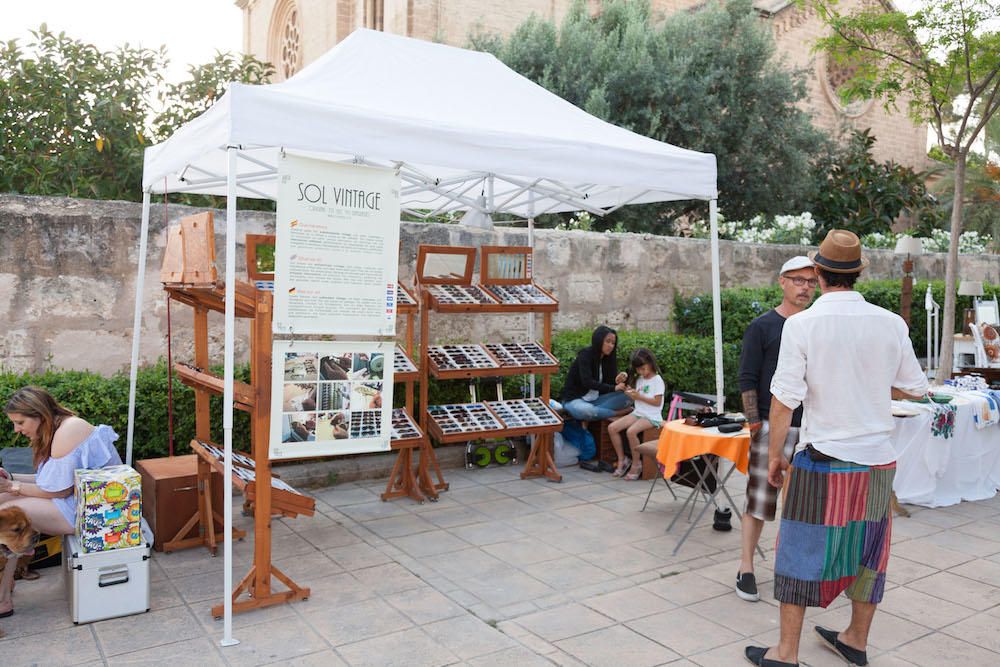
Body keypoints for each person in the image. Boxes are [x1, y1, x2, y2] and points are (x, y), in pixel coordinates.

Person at [744, 230, 928, 667]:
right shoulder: (890, 323)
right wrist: (870, 380)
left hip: (825, 459)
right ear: (858, 274)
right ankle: (855, 640)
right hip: (878, 461)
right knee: (870, 551)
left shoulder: (801, 324)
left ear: (820, 274)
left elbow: (783, 400)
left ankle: (786, 652)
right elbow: (916, 389)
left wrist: (775, 458)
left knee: (801, 551)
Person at [735, 256, 817, 602]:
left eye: (811, 281)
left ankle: (794, 569)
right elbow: (748, 378)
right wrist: (756, 424)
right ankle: (746, 566)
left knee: (802, 507)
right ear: (782, 281)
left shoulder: (818, 325)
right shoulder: (763, 326)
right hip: (771, 424)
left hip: (811, 428)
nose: (805, 287)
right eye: (798, 280)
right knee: (759, 500)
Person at [1, 386, 123, 618]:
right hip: (76, 502)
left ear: (38, 414)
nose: (17, 430)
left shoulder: (68, 431)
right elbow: (49, 483)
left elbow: (59, 490)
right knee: (3, 502)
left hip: (94, 512)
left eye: (20, 422)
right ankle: (5, 583)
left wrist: (11, 487)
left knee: (8, 513)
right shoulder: (59, 428)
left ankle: (3, 598)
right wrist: (11, 479)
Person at [560, 325, 632, 468]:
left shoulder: (608, 359)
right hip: (575, 400)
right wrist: (613, 387)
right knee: (586, 411)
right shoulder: (585, 355)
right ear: (599, 340)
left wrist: (620, 379)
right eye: (608, 341)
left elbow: (610, 384)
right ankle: (618, 413)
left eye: (613, 343)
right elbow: (587, 381)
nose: (610, 345)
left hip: (597, 401)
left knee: (629, 397)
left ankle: (599, 414)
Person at [607, 348, 665, 480]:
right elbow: (637, 396)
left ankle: (636, 463)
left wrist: (639, 397)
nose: (641, 372)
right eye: (638, 369)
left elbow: (657, 402)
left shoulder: (657, 380)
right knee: (612, 428)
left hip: (651, 416)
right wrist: (630, 393)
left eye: (643, 368)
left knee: (631, 431)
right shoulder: (639, 378)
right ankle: (622, 460)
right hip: (638, 413)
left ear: (650, 363)